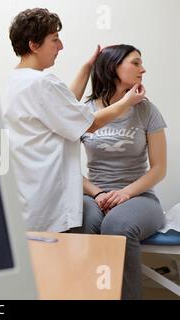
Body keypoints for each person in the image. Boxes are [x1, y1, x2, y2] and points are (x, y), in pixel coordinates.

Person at [4, 8, 146, 232]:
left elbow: (63, 108)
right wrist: (127, 103)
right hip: (47, 199)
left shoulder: (15, 81)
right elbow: (89, 123)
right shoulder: (43, 83)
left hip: (27, 197)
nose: (60, 46)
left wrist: (86, 68)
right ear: (34, 45)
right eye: (55, 39)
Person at [79, 45, 167, 300]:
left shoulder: (146, 110)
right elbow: (63, 166)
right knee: (84, 222)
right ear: (113, 66)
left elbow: (159, 168)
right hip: (94, 195)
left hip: (139, 197)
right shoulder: (84, 112)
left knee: (118, 224)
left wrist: (125, 194)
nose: (143, 69)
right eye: (136, 63)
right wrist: (99, 193)